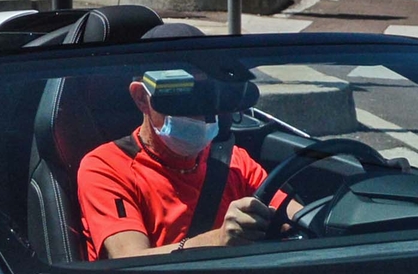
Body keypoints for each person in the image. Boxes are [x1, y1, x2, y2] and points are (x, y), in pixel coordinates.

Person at [75, 68, 284, 259]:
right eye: (181, 96)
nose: (200, 114)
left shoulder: (234, 162)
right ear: (141, 98)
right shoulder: (105, 167)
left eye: (209, 96)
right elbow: (129, 259)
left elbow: (300, 216)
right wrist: (218, 240)